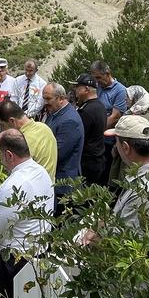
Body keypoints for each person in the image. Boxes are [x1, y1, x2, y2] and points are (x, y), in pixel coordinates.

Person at [0, 128, 54, 298]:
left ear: (9, 154)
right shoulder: (41, 172)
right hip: (39, 254)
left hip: (14, 262)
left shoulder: (14, 185)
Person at [42, 83, 84, 213]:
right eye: (44, 98)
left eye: (48, 99)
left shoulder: (69, 120)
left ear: (61, 98)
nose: (45, 102)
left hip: (64, 185)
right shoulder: (55, 113)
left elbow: (58, 153)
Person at [0, 100, 57, 181]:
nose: (1, 130)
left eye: (2, 125)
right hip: (48, 187)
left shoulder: (21, 141)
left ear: (12, 121)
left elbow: (12, 173)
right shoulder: (44, 128)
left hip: (31, 190)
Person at [71, 74, 111, 187]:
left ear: (86, 89)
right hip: (98, 159)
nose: (75, 90)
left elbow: (77, 136)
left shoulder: (87, 111)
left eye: (78, 87)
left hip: (88, 162)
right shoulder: (100, 105)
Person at [90, 61, 129, 129]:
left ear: (107, 74)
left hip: (107, 133)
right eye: (95, 78)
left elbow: (115, 118)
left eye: (99, 77)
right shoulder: (97, 87)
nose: (96, 81)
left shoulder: (120, 90)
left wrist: (96, 131)